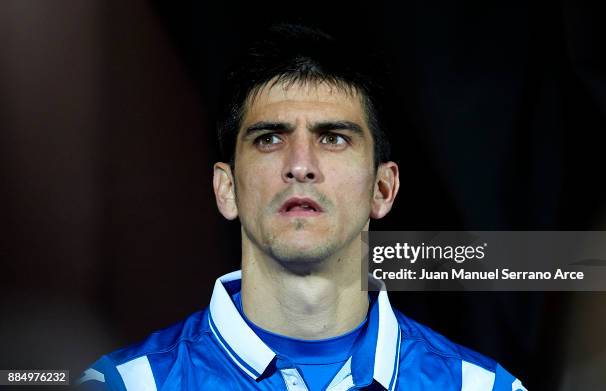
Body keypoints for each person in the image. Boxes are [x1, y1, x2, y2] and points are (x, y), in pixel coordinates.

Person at [76, 24, 526, 391]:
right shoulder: (123, 384)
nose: (300, 165)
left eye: (333, 138)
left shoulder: (482, 387)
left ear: (383, 189)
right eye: (270, 138)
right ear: (226, 188)